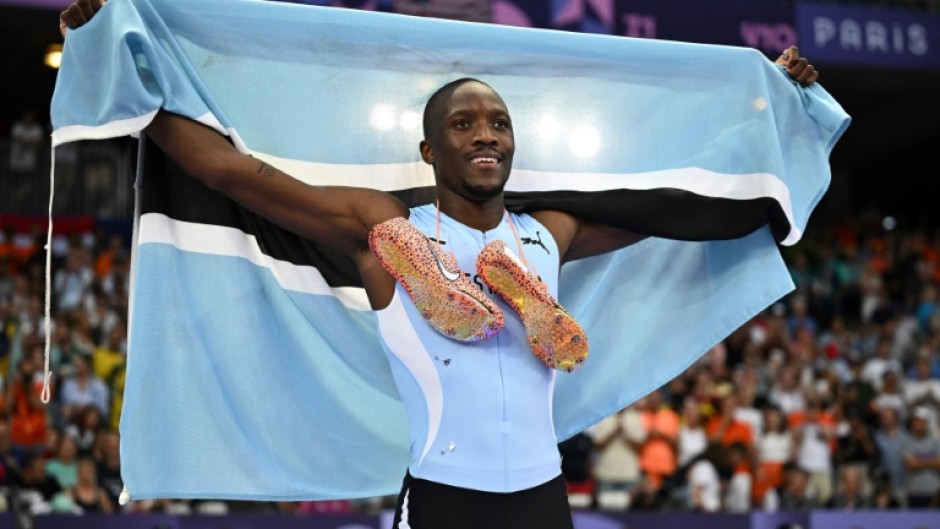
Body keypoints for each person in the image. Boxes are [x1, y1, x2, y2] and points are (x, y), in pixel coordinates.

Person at [59, 2, 821, 526]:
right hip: (442, 496)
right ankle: (442, 282)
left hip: (540, 496)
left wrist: (775, 113)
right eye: (463, 123)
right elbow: (234, 176)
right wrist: (123, 71)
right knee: (415, 245)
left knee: (636, 213)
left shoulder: (548, 230)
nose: (485, 134)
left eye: (498, 123)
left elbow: (675, 200)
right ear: (429, 150)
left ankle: (504, 295)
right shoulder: (378, 223)